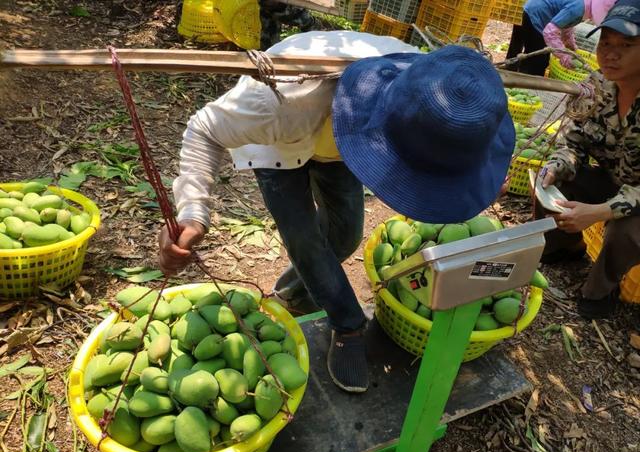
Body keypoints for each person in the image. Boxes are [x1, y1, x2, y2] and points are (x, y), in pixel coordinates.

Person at [158, 30, 515, 393]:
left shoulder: (434, 86)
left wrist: (478, 176)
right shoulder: (280, 103)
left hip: (347, 142)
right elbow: (203, 130)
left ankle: (292, 293)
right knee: (305, 239)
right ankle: (347, 324)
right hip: (286, 145)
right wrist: (192, 212)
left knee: (346, 234)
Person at [537, 0, 640, 319]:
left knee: (626, 232)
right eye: (606, 43)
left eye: (626, 45)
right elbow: (574, 139)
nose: (611, 53)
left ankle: (602, 290)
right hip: (615, 179)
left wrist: (600, 211)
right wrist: (557, 165)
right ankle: (565, 247)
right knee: (552, 180)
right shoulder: (598, 85)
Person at [506, 0, 617, 76]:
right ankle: (525, 86)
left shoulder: (584, 5)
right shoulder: (578, 8)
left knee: (523, 51)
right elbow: (550, 32)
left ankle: (509, 76)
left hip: (534, 10)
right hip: (535, 15)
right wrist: (563, 56)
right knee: (538, 60)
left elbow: (564, 23)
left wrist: (570, 44)